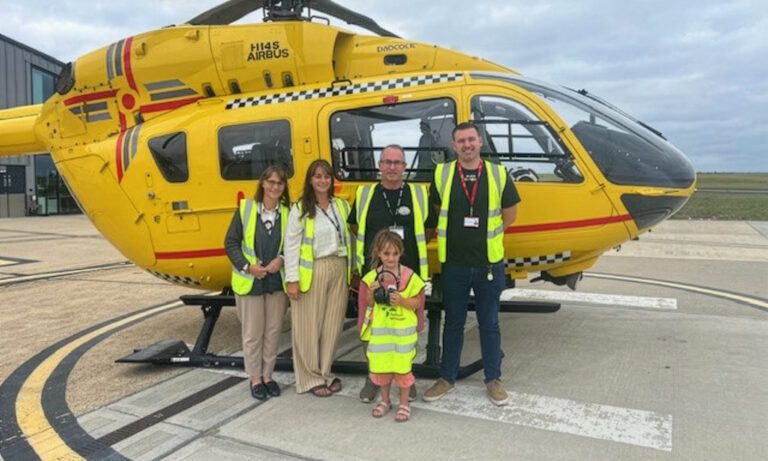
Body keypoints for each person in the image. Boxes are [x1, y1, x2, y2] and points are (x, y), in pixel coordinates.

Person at [422, 122, 520, 406]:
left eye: (471, 139)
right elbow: (437, 211)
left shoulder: (498, 174)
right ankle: (447, 378)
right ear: (454, 146)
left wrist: (489, 236)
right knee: (453, 323)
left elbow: (510, 213)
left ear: (480, 142)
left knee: (490, 323)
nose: (466, 145)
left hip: (489, 264)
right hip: (454, 264)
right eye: (461, 141)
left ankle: (493, 379)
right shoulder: (442, 174)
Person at [347, 144, 431, 403]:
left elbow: (429, 230)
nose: (392, 167)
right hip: (372, 276)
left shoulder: (418, 194)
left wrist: (399, 259)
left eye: (398, 162)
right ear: (379, 165)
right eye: (387, 162)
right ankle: (374, 377)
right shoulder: (364, 194)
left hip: (407, 277)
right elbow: (353, 226)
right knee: (371, 328)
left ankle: (405, 376)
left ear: (405, 167)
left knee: (405, 330)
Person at [284, 159, 354, 397]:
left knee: (332, 326)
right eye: (318, 176)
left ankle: (325, 371)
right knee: (308, 326)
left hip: (339, 267)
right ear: (310, 180)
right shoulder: (300, 209)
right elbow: (291, 246)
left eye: (326, 176)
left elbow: (351, 239)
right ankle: (309, 378)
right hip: (313, 270)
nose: (323, 180)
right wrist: (292, 279)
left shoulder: (341, 206)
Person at [224, 165, 291, 401]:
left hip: (275, 284)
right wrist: (248, 267)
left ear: (284, 188)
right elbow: (231, 243)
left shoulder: (288, 212)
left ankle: (268, 376)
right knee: (253, 334)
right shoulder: (246, 209)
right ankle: (255, 378)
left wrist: (280, 260)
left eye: (279, 183)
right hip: (250, 283)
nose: (274, 187)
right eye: (271, 182)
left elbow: (292, 245)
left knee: (272, 332)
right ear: (262, 183)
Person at [359, 230, 425, 422]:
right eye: (386, 254)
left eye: (395, 254)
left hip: (402, 335)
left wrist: (403, 301)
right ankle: (385, 400)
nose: (390, 258)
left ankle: (404, 403)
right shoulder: (372, 277)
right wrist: (371, 293)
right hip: (382, 335)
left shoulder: (410, 277)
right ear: (379, 253)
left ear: (401, 253)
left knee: (403, 368)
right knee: (382, 368)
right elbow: (369, 303)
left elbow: (418, 303)